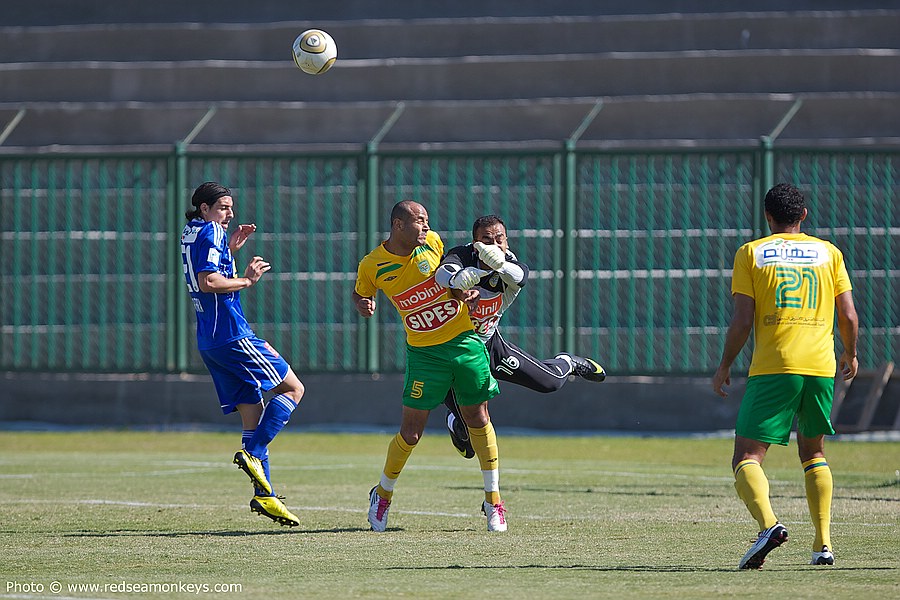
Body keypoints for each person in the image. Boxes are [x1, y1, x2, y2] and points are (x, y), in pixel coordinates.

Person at [712, 183, 859, 569]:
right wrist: (850, 352)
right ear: (804, 215)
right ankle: (823, 545)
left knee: (746, 455)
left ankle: (768, 526)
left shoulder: (752, 253)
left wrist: (725, 364)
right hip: (821, 367)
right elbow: (848, 316)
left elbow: (743, 320)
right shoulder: (829, 253)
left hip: (775, 366)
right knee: (813, 453)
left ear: (767, 217)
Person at [353, 200, 507, 532]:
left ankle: (494, 501)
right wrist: (364, 304)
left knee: (478, 418)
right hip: (423, 353)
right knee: (411, 433)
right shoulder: (372, 265)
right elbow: (362, 292)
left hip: (465, 342)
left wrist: (460, 294)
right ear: (398, 225)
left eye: (427, 220)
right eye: (419, 221)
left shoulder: (435, 244)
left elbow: (452, 280)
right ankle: (382, 495)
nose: (426, 226)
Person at [181, 181, 306, 527]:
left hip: (209, 340)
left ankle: (266, 496)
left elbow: (208, 271)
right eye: (223, 207)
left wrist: (230, 250)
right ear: (204, 208)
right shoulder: (211, 231)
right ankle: (251, 455)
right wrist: (248, 280)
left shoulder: (191, 232)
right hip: (232, 335)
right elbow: (210, 282)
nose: (230, 213)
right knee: (293, 389)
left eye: (230, 207)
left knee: (253, 413)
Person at [434, 214, 606, 459]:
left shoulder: (509, 264)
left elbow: (521, 276)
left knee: (550, 383)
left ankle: (567, 362)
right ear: (475, 243)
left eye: (499, 239)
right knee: (471, 439)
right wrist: (457, 279)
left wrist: (499, 265)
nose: (494, 244)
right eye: (486, 239)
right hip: (454, 353)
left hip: (489, 346)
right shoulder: (463, 255)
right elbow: (443, 272)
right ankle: (455, 423)